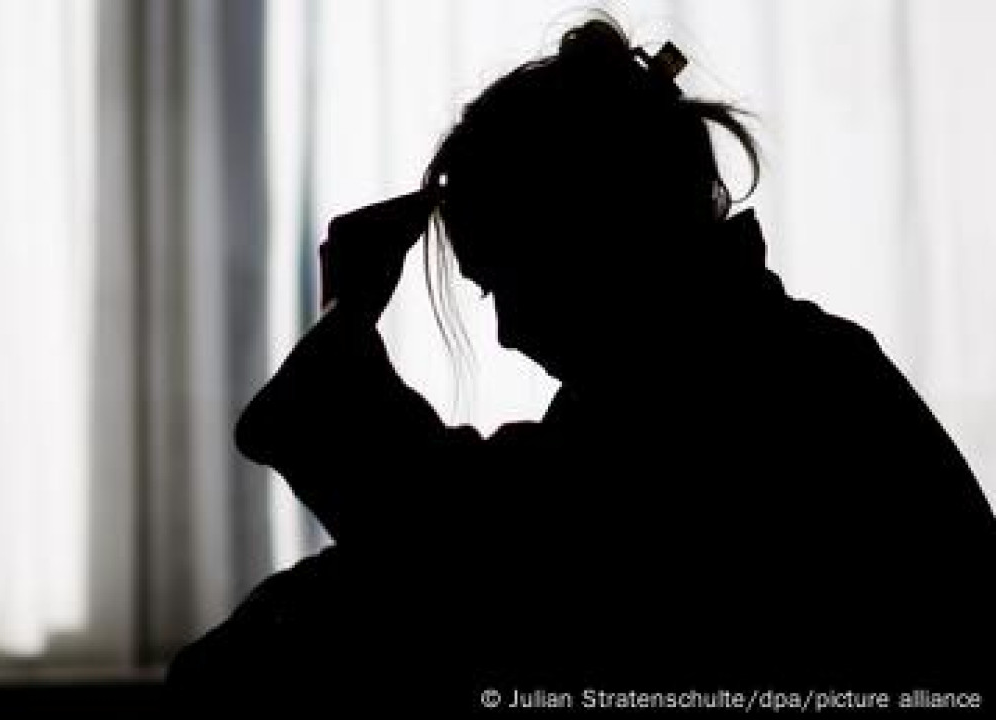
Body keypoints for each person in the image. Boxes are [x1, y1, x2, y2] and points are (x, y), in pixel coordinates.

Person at [167, 14, 996, 713]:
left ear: (592, 238)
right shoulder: (760, 362)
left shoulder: (735, 395)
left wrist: (349, 318)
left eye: (506, 282)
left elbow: (469, 543)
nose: (506, 334)